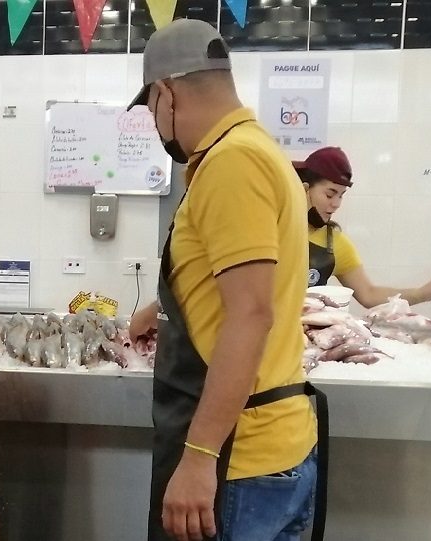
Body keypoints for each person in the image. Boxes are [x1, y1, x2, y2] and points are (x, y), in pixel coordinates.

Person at [128, 19, 321, 541]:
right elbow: (239, 288)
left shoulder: (233, 163)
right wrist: (161, 311)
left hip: (239, 460)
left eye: (150, 109)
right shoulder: (253, 149)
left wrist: (198, 457)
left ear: (166, 93)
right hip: (266, 450)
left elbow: (251, 314)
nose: (155, 124)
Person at [296, 146, 431, 308]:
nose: (336, 204)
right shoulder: (277, 228)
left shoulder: (335, 244)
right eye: (329, 194)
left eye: (341, 195)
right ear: (305, 188)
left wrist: (421, 293)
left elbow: (369, 294)